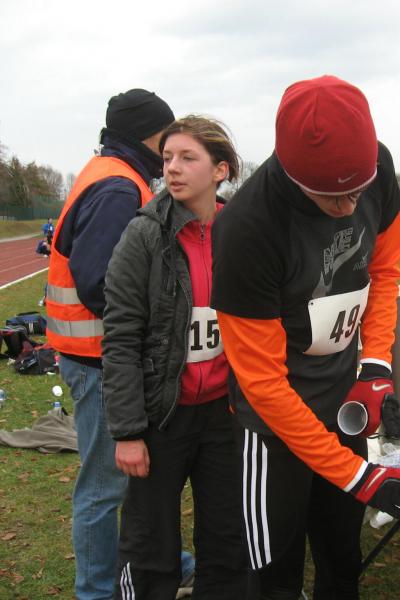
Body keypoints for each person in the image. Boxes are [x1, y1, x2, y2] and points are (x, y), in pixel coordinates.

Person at [211, 75, 400, 599]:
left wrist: (375, 363)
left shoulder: (377, 167)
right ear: (294, 178)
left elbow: (383, 271)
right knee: (276, 573)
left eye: (357, 192)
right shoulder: (247, 229)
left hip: (340, 400)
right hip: (272, 426)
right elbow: (265, 386)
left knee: (343, 559)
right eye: (331, 198)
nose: (349, 208)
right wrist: (361, 477)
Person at [103, 115, 250, 598]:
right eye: (167, 157)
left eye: (188, 157)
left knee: (228, 539)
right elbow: (121, 337)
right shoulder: (143, 235)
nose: (172, 168)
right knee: (150, 545)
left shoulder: (241, 232)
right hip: (161, 416)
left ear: (221, 170)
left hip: (224, 415)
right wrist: (128, 432)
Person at [45, 88, 176, 600]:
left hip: (95, 356)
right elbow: (99, 281)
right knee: (103, 488)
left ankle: (150, 563)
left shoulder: (112, 174)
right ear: (149, 134)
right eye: (166, 135)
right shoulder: (119, 187)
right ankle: (97, 589)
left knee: (124, 479)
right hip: (98, 360)